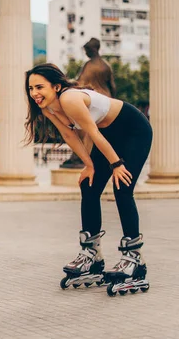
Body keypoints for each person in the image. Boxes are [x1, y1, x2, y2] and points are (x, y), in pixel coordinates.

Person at [25, 63, 151, 296]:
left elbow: (92, 133)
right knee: (89, 185)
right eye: (31, 88)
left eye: (39, 87)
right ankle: (92, 256)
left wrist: (116, 164)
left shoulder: (70, 99)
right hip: (108, 134)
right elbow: (68, 134)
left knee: (122, 187)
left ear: (56, 86)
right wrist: (89, 166)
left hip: (133, 130)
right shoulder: (47, 109)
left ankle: (134, 258)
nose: (34, 93)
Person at [60, 38, 116, 168]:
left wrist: (66, 83)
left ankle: (80, 157)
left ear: (93, 49)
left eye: (87, 50)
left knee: (82, 129)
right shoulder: (106, 65)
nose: (86, 53)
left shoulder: (89, 66)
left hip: (92, 101)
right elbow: (112, 86)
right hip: (106, 101)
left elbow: (80, 83)